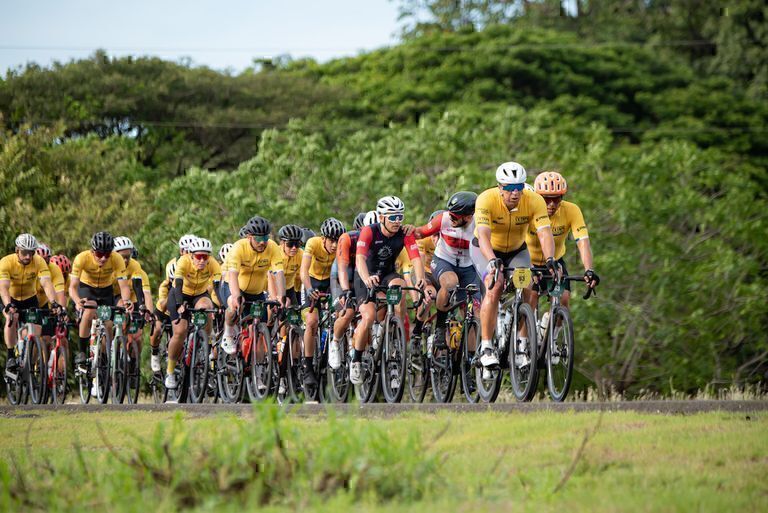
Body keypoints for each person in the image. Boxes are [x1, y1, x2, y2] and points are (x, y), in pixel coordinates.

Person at [471, 162, 557, 372]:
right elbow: (483, 234)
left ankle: (521, 343)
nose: (515, 192)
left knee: (529, 287)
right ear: (500, 187)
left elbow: (545, 232)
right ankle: (487, 347)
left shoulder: (534, 200)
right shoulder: (486, 199)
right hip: (486, 250)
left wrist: (550, 260)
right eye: (509, 188)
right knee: (495, 286)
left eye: (519, 186)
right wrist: (492, 260)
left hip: (517, 251)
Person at [349, 196, 426, 385]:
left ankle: (395, 337)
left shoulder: (404, 232)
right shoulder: (369, 231)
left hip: (388, 274)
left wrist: (420, 278)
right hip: (365, 275)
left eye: (400, 216)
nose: (397, 221)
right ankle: (356, 360)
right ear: (382, 217)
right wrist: (367, 278)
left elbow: (415, 258)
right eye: (392, 217)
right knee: (368, 317)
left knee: (399, 288)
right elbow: (359, 259)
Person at [526, 172, 600, 328]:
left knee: (564, 300)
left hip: (555, 261)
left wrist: (589, 270)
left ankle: (550, 337)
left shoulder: (571, 210)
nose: (552, 204)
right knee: (531, 297)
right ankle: (522, 345)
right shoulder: (529, 208)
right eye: (546, 199)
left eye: (557, 198)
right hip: (529, 260)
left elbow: (583, 241)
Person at [411, 192, 481, 354]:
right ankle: (440, 327)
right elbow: (419, 233)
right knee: (450, 283)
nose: (451, 218)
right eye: (450, 214)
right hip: (444, 260)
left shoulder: (479, 224)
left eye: (455, 216)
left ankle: (468, 365)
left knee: (472, 315)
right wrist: (407, 230)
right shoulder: (444, 219)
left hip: (468, 267)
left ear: (469, 217)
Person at [69, 231, 134, 375]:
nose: (103, 258)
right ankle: (82, 352)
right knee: (90, 310)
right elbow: (72, 287)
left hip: (105, 290)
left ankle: (104, 355)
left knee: (109, 324)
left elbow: (124, 286)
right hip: (87, 289)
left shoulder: (116, 259)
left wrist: (127, 301)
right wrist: (77, 301)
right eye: (99, 254)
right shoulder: (82, 258)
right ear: (92, 251)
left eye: (107, 254)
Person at [221, 216, 285, 355]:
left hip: (256, 292)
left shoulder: (272, 247)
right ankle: (228, 333)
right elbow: (232, 275)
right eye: (258, 239)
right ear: (249, 237)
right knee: (233, 304)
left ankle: (259, 371)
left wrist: (281, 296)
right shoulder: (239, 247)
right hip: (234, 286)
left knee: (260, 333)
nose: (263, 243)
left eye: (265, 238)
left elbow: (279, 273)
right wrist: (237, 296)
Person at [165, 237, 220, 389]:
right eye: (198, 257)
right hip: (180, 294)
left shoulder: (213, 263)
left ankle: (205, 341)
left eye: (205, 257)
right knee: (180, 332)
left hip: (199, 295)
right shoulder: (183, 262)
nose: (202, 260)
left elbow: (217, 286)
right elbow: (177, 285)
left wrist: (222, 305)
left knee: (207, 307)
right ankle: (170, 371)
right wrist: (179, 304)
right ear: (191, 255)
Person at [0, 234, 62, 371]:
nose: (28, 256)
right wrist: (8, 305)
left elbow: (46, 283)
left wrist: (54, 303)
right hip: (10, 298)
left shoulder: (38, 261)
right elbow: (3, 287)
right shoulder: (6, 262)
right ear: (17, 250)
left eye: (31, 253)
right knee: (12, 318)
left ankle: (29, 366)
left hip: (30, 299)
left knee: (37, 331)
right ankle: (11, 356)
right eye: (25, 253)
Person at [328, 211, 376, 370]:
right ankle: (334, 343)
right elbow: (341, 268)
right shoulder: (348, 238)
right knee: (348, 312)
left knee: (368, 312)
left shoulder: (376, 240)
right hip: (341, 277)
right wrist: (345, 291)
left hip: (359, 277)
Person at [300, 217, 345, 385]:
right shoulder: (313, 243)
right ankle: (308, 367)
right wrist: (309, 288)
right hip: (311, 283)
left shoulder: (341, 247)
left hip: (330, 283)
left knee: (341, 314)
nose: (334, 245)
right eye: (332, 241)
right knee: (312, 321)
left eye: (337, 241)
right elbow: (303, 271)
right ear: (323, 238)